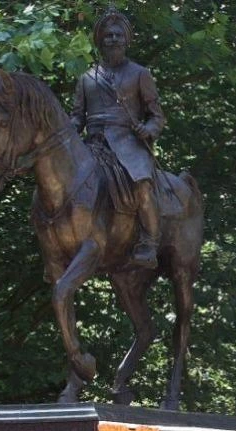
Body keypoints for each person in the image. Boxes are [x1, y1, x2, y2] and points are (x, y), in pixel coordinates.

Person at [70, 9, 165, 269]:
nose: (113, 39)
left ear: (126, 40)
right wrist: (66, 134)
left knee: (142, 186)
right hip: (93, 144)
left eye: (118, 35)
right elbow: (77, 117)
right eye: (108, 35)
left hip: (128, 143)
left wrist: (148, 129)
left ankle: (149, 241)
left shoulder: (139, 74)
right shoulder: (86, 78)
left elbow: (157, 116)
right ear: (100, 40)